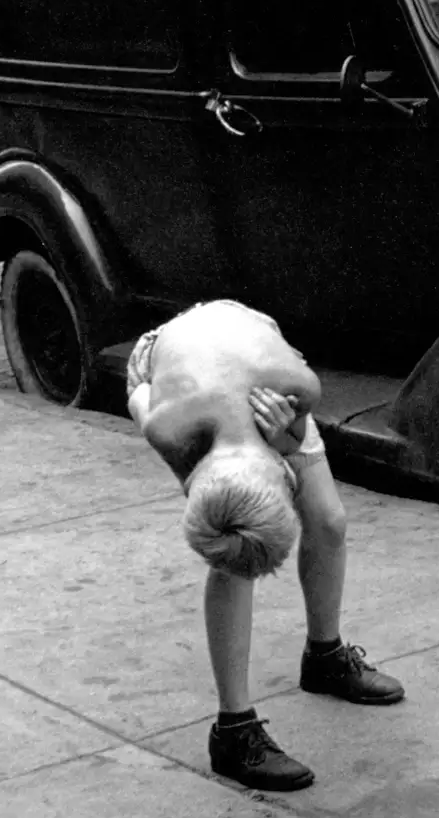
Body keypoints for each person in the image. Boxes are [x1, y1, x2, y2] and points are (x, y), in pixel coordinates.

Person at [126, 300, 403, 792]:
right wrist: (211, 485)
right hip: (168, 365)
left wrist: (291, 438)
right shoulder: (168, 424)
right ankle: (234, 731)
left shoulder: (295, 389)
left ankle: (325, 658)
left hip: (255, 356)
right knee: (234, 547)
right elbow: (141, 392)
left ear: (283, 470)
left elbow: (290, 421)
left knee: (329, 520)